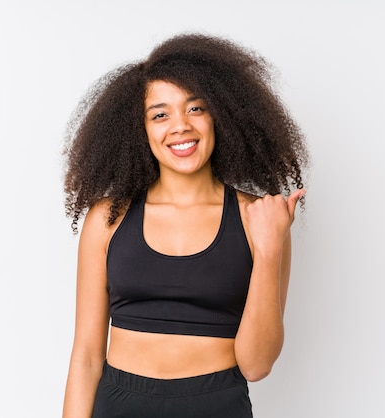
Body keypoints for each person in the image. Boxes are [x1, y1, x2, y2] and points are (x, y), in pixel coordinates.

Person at [61, 32, 309, 418]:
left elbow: (256, 365)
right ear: (138, 130)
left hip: (217, 404)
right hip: (119, 404)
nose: (180, 126)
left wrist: (269, 247)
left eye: (195, 109)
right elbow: (87, 359)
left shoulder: (258, 219)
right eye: (160, 114)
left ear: (220, 115)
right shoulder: (108, 219)